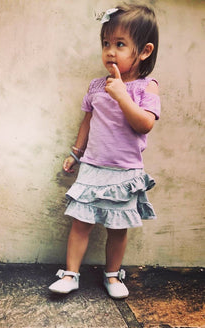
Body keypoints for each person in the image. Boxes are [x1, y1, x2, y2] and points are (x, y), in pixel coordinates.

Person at [49, 3, 160, 299]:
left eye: (120, 44)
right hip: (93, 167)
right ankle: (71, 273)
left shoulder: (146, 87)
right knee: (80, 222)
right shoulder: (97, 86)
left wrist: (123, 95)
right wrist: (75, 153)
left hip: (124, 171)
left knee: (118, 228)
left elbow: (145, 124)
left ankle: (113, 275)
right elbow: (88, 122)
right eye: (106, 44)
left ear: (144, 51)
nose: (110, 51)